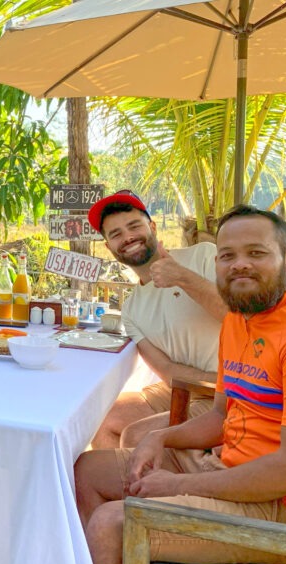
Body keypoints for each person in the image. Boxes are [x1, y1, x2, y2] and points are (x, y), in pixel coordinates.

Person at [74, 205, 286, 564]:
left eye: (256, 253)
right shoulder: (239, 323)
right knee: (87, 470)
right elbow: (220, 416)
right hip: (229, 465)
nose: (239, 264)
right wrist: (160, 439)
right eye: (227, 255)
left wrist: (180, 484)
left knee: (111, 523)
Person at [86, 190, 228, 449]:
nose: (128, 237)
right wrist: (200, 385)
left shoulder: (204, 256)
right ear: (109, 247)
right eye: (116, 234)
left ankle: (146, 486)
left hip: (234, 395)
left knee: (136, 435)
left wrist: (182, 277)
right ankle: (122, 487)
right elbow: (168, 373)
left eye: (134, 226)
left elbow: (239, 316)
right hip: (187, 390)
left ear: (152, 226)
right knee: (100, 419)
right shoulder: (131, 310)